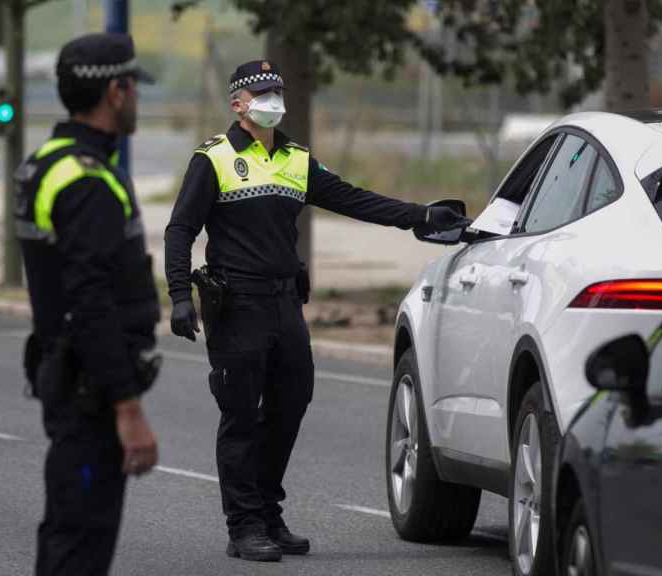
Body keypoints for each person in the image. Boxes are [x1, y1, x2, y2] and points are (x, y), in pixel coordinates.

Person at [164, 60, 466, 562]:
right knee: (240, 417)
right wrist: (179, 295)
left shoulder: (296, 159)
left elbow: (353, 199)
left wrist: (419, 216)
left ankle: (266, 509)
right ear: (237, 104)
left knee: (290, 405)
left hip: (284, 304)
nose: (273, 99)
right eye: (262, 92)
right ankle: (244, 526)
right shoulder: (213, 159)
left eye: (277, 89)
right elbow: (180, 229)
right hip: (236, 304)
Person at [14, 33, 160, 576]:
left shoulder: (45, 163)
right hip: (90, 396)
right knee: (79, 549)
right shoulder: (87, 181)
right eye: (133, 88)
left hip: (68, 377)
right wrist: (128, 407)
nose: (137, 100)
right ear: (116, 91)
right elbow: (90, 299)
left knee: (65, 537)